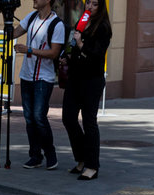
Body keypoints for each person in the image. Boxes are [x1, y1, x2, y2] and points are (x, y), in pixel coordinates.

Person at [61, 0, 111, 180]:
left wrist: (81, 44)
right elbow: (72, 46)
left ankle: (92, 165)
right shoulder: (81, 22)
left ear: (101, 7)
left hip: (92, 80)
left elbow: (97, 54)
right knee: (68, 118)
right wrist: (67, 57)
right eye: (88, 2)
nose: (89, 6)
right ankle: (81, 158)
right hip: (75, 78)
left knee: (89, 122)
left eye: (95, 4)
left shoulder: (103, 27)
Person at [13, 0, 65, 171]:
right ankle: (35, 156)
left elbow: (54, 53)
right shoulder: (31, 17)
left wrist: (29, 50)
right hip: (27, 76)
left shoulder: (57, 24)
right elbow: (13, 34)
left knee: (39, 117)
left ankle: (51, 155)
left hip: (44, 77)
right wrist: (6, 17)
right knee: (29, 119)